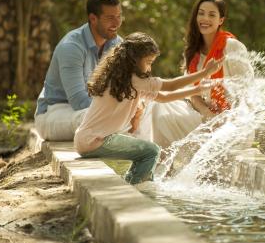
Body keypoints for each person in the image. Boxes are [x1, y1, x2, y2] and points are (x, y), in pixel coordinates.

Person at [73, 32, 223, 184]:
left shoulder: (121, 80)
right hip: (95, 141)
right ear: (134, 60)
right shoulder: (134, 79)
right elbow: (170, 86)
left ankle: (135, 183)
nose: (150, 68)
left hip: (86, 140)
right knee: (151, 151)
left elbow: (163, 98)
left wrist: (196, 90)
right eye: (149, 62)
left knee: (145, 152)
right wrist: (204, 73)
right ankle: (138, 188)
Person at [151, 0, 254, 148]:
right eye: (201, 13)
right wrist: (208, 114)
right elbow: (194, 94)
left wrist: (226, 119)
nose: (205, 19)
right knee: (160, 107)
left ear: (221, 20)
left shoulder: (232, 47)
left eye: (212, 15)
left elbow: (246, 90)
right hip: (205, 116)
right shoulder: (193, 52)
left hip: (232, 121)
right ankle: (163, 166)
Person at [34, 0, 123, 141]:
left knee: (144, 111)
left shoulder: (117, 44)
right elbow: (79, 102)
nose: (116, 23)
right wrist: (118, 108)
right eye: (110, 18)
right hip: (55, 112)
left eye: (119, 16)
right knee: (91, 118)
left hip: (96, 110)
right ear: (93, 19)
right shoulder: (71, 47)